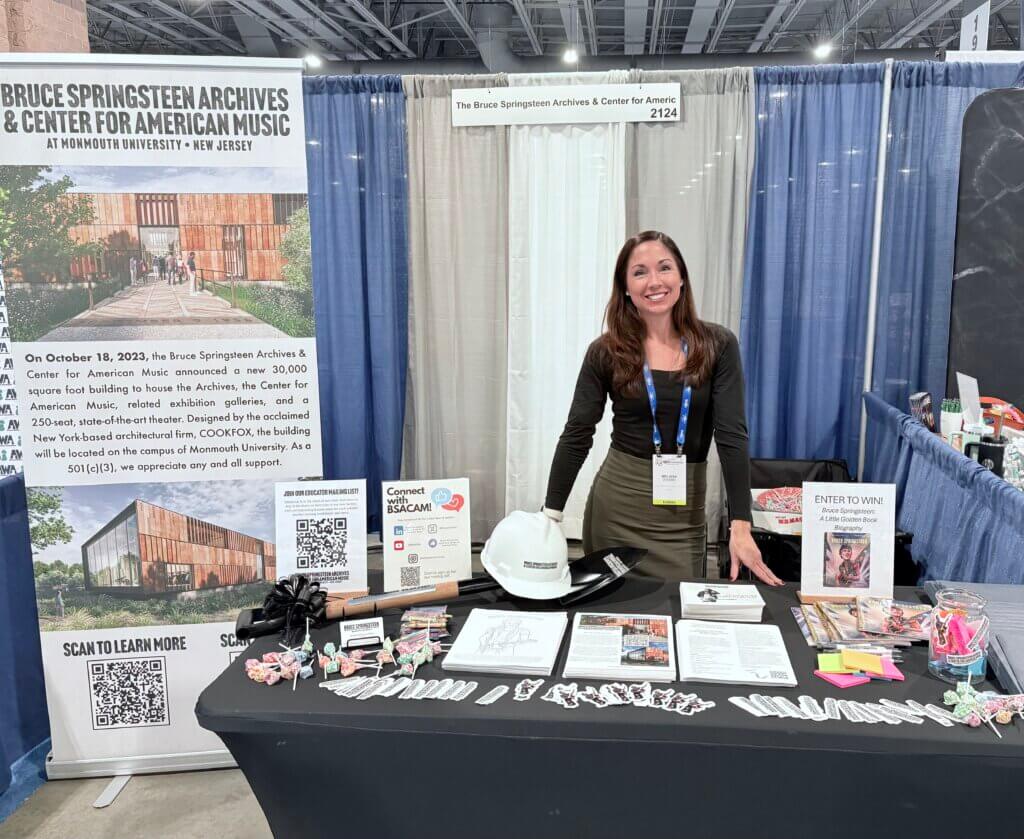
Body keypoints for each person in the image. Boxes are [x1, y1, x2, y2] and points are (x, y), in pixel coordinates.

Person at [543, 230, 782, 585]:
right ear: (625, 287)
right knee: (611, 618)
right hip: (618, 506)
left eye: (664, 268)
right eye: (639, 272)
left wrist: (741, 524)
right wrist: (550, 516)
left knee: (679, 612)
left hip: (683, 514)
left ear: (681, 277)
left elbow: (732, 436)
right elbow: (578, 433)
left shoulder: (717, 345)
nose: (654, 281)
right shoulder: (606, 351)